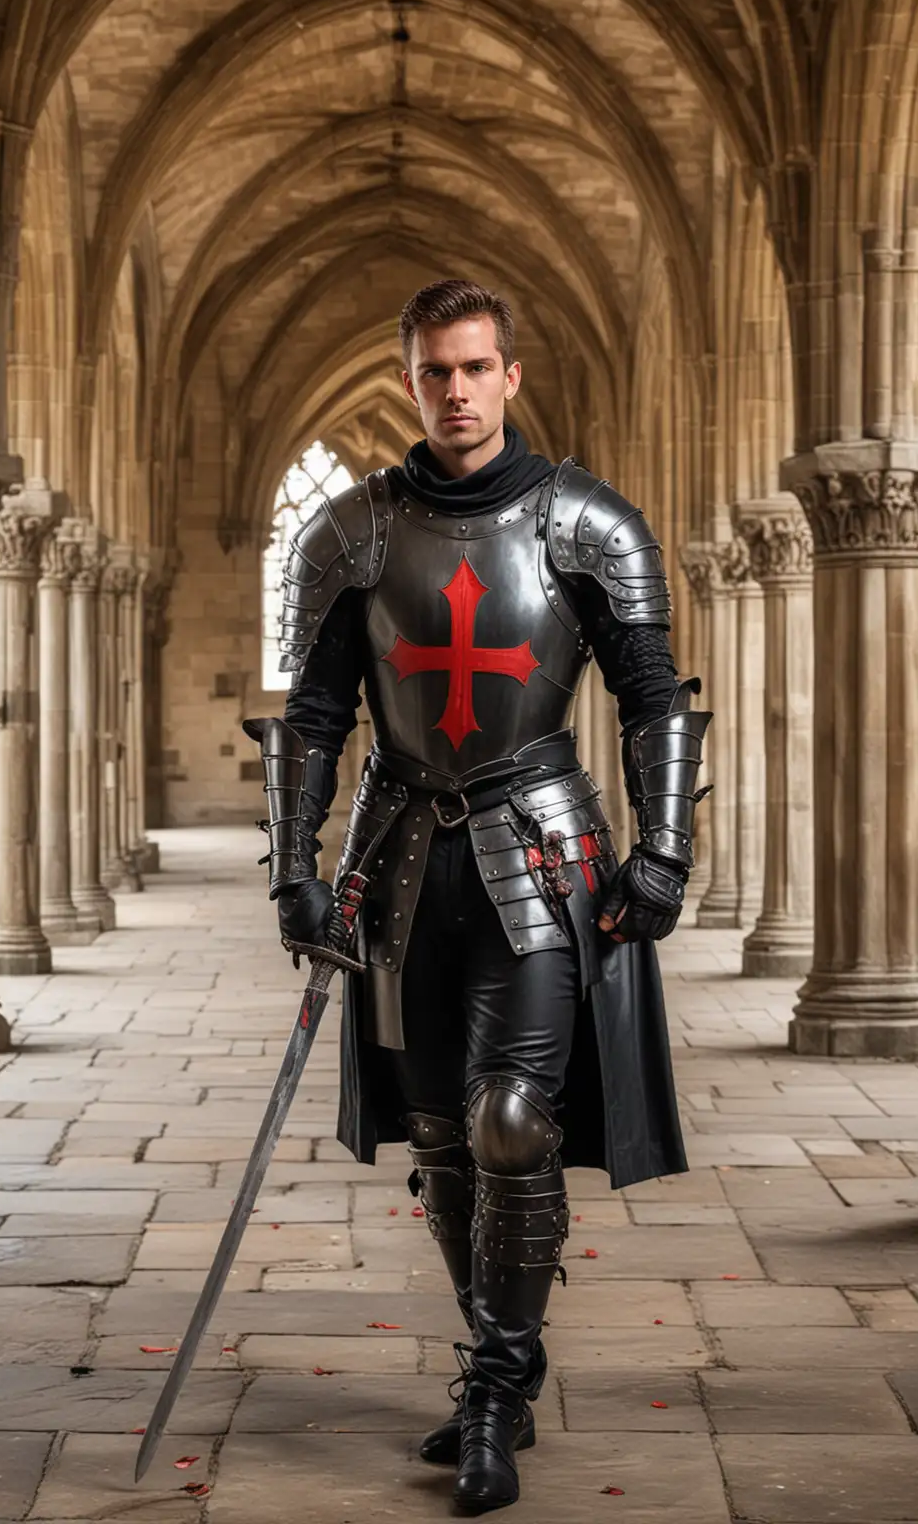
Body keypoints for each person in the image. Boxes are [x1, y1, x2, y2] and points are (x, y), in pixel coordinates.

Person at [244, 279, 709, 1514]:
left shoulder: (589, 524)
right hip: (399, 859)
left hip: (541, 851)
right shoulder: (350, 530)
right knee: (444, 1133)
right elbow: (317, 715)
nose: (457, 390)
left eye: (476, 368)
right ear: (413, 380)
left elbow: (655, 692)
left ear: (511, 375)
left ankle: (494, 1395)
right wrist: (294, 868)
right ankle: (507, 1353)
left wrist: (663, 849)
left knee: (512, 1119)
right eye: (436, 371)